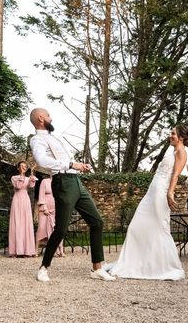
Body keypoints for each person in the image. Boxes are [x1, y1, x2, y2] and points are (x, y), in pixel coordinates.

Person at [29, 107, 115, 282]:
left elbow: (63, 161)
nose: (51, 117)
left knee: (97, 222)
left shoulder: (52, 138)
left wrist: (77, 166)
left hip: (76, 182)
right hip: (63, 182)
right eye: (48, 115)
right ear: (40, 118)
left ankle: (97, 267)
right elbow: (41, 160)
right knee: (61, 228)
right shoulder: (37, 139)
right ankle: (43, 268)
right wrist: (70, 164)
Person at [108, 127, 188, 280]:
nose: (170, 135)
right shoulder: (172, 152)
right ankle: (139, 262)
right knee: (136, 226)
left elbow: (176, 175)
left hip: (161, 192)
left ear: (181, 137)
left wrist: (170, 192)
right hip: (152, 191)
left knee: (160, 226)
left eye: (173, 133)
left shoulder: (181, 152)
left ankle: (166, 266)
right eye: (170, 133)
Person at [8, 161, 37, 257]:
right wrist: (21, 175)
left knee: (26, 222)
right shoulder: (14, 178)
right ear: (18, 168)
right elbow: (18, 186)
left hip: (25, 199)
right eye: (21, 166)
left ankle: (27, 250)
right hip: (17, 199)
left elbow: (32, 186)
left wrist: (32, 173)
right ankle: (15, 250)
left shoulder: (28, 178)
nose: (23, 168)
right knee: (16, 222)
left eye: (25, 166)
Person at [36, 177, 63, 257]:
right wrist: (44, 208)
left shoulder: (60, 182)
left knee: (56, 228)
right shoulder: (45, 181)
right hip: (45, 208)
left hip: (56, 208)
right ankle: (36, 249)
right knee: (41, 228)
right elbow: (41, 195)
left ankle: (58, 250)